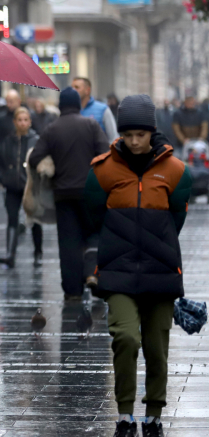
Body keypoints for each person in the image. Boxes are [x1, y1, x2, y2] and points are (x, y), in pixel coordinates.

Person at [85, 94, 191, 437]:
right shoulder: (102, 169)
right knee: (126, 339)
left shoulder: (176, 172)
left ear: (152, 132)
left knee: (157, 349)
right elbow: (92, 216)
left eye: (140, 135)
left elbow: (176, 218)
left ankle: (154, 416)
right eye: (128, 135)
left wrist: (154, 241)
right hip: (117, 272)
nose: (133, 142)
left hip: (161, 273)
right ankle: (125, 414)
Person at [29, 87, 109, 298]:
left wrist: (52, 168)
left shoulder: (51, 129)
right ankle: (92, 273)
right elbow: (105, 154)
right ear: (79, 105)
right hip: (90, 193)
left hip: (63, 195)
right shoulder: (91, 125)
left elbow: (34, 158)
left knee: (68, 244)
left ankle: (73, 290)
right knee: (95, 233)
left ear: (60, 106)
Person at [0, 107, 43, 266]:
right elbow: (1, 160)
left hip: (30, 185)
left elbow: (40, 161)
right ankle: (10, 253)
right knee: (12, 218)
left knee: (34, 219)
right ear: (14, 122)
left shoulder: (35, 140)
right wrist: (3, 177)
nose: (22, 123)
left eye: (25, 120)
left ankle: (38, 252)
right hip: (12, 186)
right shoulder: (8, 140)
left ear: (30, 122)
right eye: (19, 120)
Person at [73, 77, 119, 142]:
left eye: (77, 87)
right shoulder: (70, 110)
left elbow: (113, 137)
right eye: (72, 88)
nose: (73, 90)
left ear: (87, 90)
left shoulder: (102, 109)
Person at [0, 89, 22, 156]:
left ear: (18, 101)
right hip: (6, 156)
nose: (8, 105)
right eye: (7, 102)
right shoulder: (3, 118)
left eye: (11, 102)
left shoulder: (26, 115)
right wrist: (2, 152)